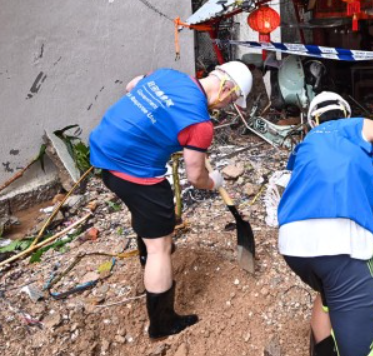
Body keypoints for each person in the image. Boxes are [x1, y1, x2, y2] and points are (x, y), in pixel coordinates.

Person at [89, 62, 252, 340]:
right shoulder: (199, 123)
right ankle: (162, 323)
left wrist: (162, 128)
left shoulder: (168, 75)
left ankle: (146, 253)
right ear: (226, 89)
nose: (228, 106)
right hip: (132, 173)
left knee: (147, 214)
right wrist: (216, 182)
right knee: (160, 247)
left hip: (103, 151)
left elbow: (133, 84)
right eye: (233, 100)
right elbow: (196, 177)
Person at [277, 92, 373, 356]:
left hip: (293, 245)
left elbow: (287, 183)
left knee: (328, 291)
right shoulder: (360, 125)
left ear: (313, 121)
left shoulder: (306, 143)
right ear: (345, 113)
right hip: (345, 242)